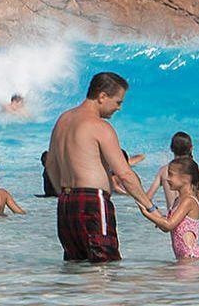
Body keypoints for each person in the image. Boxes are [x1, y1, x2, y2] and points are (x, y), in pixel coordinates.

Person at [46, 71, 152, 263]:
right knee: (105, 267)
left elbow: (51, 165)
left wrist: (63, 194)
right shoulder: (99, 126)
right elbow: (125, 174)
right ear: (102, 96)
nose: (119, 108)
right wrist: (150, 208)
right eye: (118, 102)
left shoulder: (63, 120)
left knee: (75, 266)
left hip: (65, 203)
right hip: (93, 202)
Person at [136, 156, 199, 261]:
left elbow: (168, 225)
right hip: (183, 258)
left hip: (190, 257)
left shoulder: (189, 201)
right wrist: (156, 216)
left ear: (186, 178)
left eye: (171, 175)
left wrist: (146, 214)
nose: (167, 178)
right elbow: (165, 227)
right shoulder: (178, 200)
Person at [156, 132, 194, 206]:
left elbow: (148, 197)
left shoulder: (164, 170)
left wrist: (157, 214)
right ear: (191, 148)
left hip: (171, 215)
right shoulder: (194, 168)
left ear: (171, 148)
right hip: (189, 215)